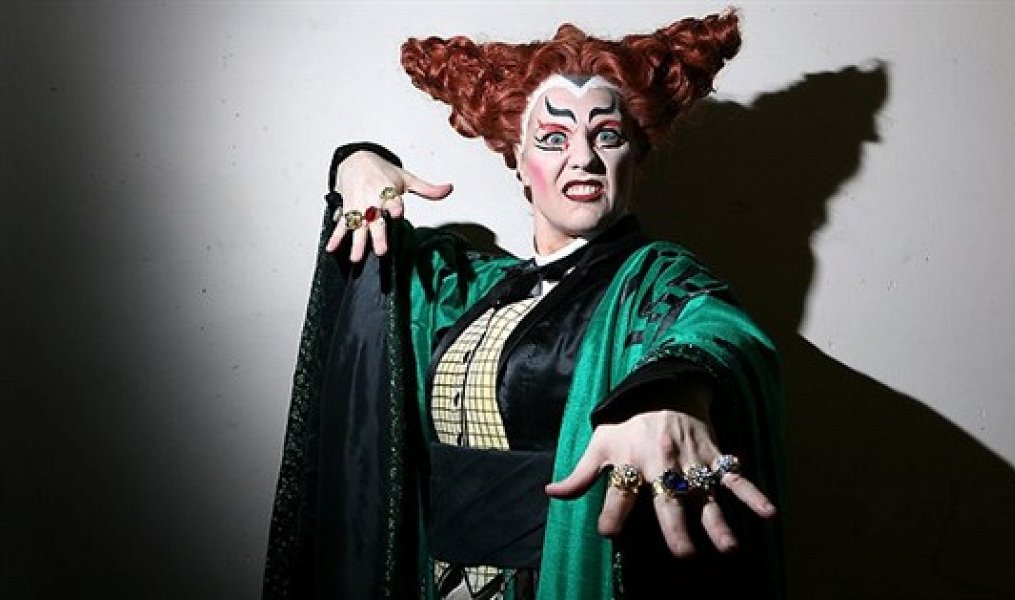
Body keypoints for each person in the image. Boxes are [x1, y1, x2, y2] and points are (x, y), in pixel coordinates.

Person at [264, 11, 784, 600]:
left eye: (607, 136)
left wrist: (672, 393)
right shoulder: (468, 288)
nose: (583, 158)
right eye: (554, 139)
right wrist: (357, 162)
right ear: (517, 156)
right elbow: (374, 268)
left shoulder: (655, 278)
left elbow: (713, 328)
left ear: (634, 155)